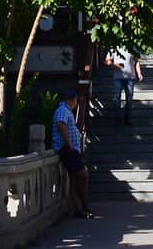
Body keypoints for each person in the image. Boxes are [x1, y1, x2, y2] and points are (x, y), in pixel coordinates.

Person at [52, 88, 94, 218]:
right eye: (76, 100)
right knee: (83, 174)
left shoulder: (67, 111)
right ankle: (83, 204)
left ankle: (79, 209)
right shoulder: (63, 110)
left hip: (71, 150)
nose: (77, 103)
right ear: (73, 99)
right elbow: (60, 124)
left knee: (75, 179)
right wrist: (69, 144)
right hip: (67, 150)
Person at [106, 48, 143, 125]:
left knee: (129, 98)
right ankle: (117, 119)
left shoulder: (132, 47)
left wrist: (139, 73)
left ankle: (127, 118)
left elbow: (137, 62)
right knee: (116, 98)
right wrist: (115, 65)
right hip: (118, 77)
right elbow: (107, 61)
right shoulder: (114, 47)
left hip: (130, 77)